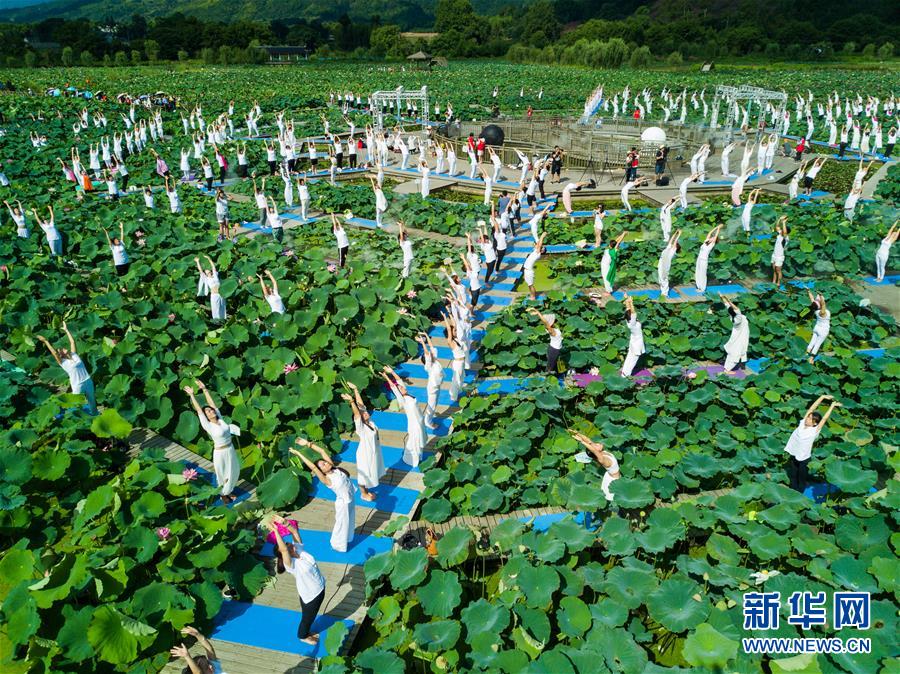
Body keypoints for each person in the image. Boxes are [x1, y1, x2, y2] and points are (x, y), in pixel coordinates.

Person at [268, 517, 326, 646]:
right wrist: (275, 531)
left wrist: (284, 523)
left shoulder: (299, 549)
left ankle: (307, 632)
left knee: (310, 616)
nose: (290, 544)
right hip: (311, 596)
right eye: (288, 545)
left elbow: (294, 532)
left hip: (320, 587)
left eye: (288, 543)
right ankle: (303, 636)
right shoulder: (291, 564)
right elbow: (283, 549)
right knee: (308, 618)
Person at [291, 439, 356, 552]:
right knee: (341, 524)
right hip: (343, 503)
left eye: (325, 462)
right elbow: (313, 467)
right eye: (323, 465)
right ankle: (338, 544)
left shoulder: (335, 469)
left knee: (350, 520)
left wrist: (307, 444)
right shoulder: (327, 479)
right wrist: (298, 454)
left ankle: (348, 538)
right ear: (322, 471)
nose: (326, 463)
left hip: (350, 498)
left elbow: (321, 451)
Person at [184, 379, 241, 502]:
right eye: (208, 412)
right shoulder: (208, 425)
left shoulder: (220, 419)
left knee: (234, 471)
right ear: (207, 417)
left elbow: (212, 404)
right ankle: (223, 494)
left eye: (211, 410)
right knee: (222, 474)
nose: (211, 411)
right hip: (220, 453)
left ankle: (229, 491)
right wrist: (192, 395)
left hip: (230, 449)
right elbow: (199, 411)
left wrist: (204, 389)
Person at [36, 321, 97, 415]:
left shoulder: (74, 354)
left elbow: (72, 341)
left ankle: (95, 416)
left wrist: (66, 330)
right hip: (78, 385)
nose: (63, 348)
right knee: (77, 405)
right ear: (61, 354)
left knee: (92, 402)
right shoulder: (63, 363)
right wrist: (45, 341)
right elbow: (54, 353)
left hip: (88, 380)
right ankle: (77, 420)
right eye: (61, 350)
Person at [783, 395, 841, 492]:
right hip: (794, 454)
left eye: (810, 419)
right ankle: (791, 491)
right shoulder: (802, 424)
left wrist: (832, 406)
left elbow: (824, 419)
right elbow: (812, 408)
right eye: (808, 417)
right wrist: (822, 397)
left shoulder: (814, 431)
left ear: (815, 423)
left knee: (801, 478)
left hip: (804, 458)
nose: (807, 419)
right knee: (792, 475)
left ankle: (799, 494)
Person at [341, 381, 384, 501]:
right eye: (363, 413)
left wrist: (355, 389)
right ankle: (363, 493)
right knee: (363, 475)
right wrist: (351, 402)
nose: (365, 413)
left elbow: (361, 405)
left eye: (365, 412)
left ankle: (367, 489)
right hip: (364, 453)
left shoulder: (370, 422)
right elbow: (357, 413)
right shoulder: (361, 427)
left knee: (372, 470)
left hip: (373, 451)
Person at [381, 365, 426, 467]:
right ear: (399, 393)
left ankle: (418, 457)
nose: (402, 387)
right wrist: (386, 377)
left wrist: (392, 371)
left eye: (401, 387)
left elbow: (399, 380)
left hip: (420, 421)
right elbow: (394, 387)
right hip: (414, 425)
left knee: (419, 440)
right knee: (414, 442)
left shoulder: (407, 394)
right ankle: (413, 461)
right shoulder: (403, 400)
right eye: (400, 388)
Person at [569, 430, 620, 502]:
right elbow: (594, 450)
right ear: (596, 452)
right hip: (613, 481)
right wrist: (582, 442)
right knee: (612, 500)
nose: (597, 443)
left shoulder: (601, 452)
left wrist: (578, 433)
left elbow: (589, 441)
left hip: (609, 476)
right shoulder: (602, 459)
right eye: (596, 445)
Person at [417, 333, 444, 429]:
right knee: (431, 406)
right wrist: (422, 343)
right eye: (429, 356)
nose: (431, 355)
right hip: (432, 388)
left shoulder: (435, 360)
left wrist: (426, 336)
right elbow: (427, 352)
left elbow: (432, 347)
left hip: (437, 386)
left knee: (434, 404)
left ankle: (428, 419)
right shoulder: (428, 366)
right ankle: (428, 422)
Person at [720, 294, 749, 372]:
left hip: (737, 335)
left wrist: (722, 297)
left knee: (734, 351)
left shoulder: (732, 315)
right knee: (736, 352)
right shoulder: (738, 318)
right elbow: (737, 308)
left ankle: (728, 367)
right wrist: (728, 299)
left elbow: (727, 305)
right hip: (740, 337)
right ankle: (728, 369)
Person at [619, 295, 645, 377]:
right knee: (633, 360)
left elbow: (629, 311)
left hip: (633, 343)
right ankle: (626, 375)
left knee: (629, 358)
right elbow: (633, 313)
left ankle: (624, 372)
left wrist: (627, 300)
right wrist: (631, 303)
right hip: (637, 344)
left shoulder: (629, 321)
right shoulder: (632, 323)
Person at [805, 290, 830, 363]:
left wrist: (809, 291)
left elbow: (812, 300)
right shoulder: (823, 312)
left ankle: (806, 354)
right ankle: (811, 359)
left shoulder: (815, 310)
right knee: (817, 345)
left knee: (812, 342)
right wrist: (821, 296)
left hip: (816, 328)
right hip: (823, 330)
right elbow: (823, 303)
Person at [694, 225, 722, 293]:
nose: (711, 238)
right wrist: (715, 227)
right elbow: (709, 233)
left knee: (702, 274)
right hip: (699, 259)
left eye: (712, 238)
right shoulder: (706, 242)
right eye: (711, 237)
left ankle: (702, 288)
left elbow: (715, 237)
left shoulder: (711, 244)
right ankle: (698, 286)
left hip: (704, 260)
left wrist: (718, 228)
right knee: (697, 272)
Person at [522, 232, 546, 301]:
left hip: (529, 271)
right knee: (529, 285)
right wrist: (540, 238)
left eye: (541, 248)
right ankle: (532, 295)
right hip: (526, 270)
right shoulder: (536, 251)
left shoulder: (537, 254)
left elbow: (539, 244)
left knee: (531, 285)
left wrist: (542, 236)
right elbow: (538, 244)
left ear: (541, 251)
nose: (540, 247)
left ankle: (533, 297)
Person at [656, 230, 680, 297]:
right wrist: (675, 233)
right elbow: (671, 240)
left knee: (664, 278)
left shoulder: (673, 251)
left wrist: (679, 234)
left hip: (665, 264)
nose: (673, 244)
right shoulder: (668, 248)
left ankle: (665, 293)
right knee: (660, 278)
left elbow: (675, 242)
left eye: (675, 244)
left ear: (676, 247)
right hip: (661, 263)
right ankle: (663, 292)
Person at [771, 216, 789, 287]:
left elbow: (784, 232)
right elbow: (777, 227)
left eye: (782, 230)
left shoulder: (786, 238)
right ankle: (773, 282)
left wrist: (784, 223)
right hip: (774, 255)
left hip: (779, 257)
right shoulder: (779, 235)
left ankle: (778, 283)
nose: (780, 230)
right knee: (774, 270)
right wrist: (779, 219)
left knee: (778, 270)